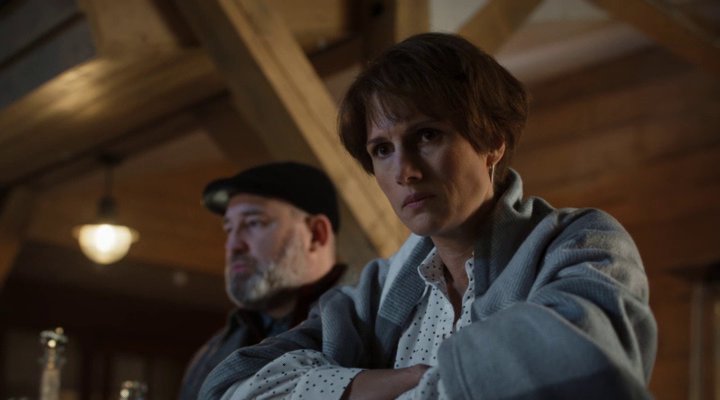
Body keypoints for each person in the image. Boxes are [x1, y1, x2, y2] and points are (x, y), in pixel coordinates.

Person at [200, 33, 657, 400]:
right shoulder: (377, 293)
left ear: (492, 142)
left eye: (427, 135)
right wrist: (370, 384)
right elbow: (231, 385)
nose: (405, 171)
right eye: (382, 149)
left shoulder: (581, 243)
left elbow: (579, 369)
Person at [178, 161, 347, 400]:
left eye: (253, 223)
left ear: (316, 234)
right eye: (229, 229)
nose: (233, 245)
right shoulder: (211, 352)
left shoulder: (367, 325)